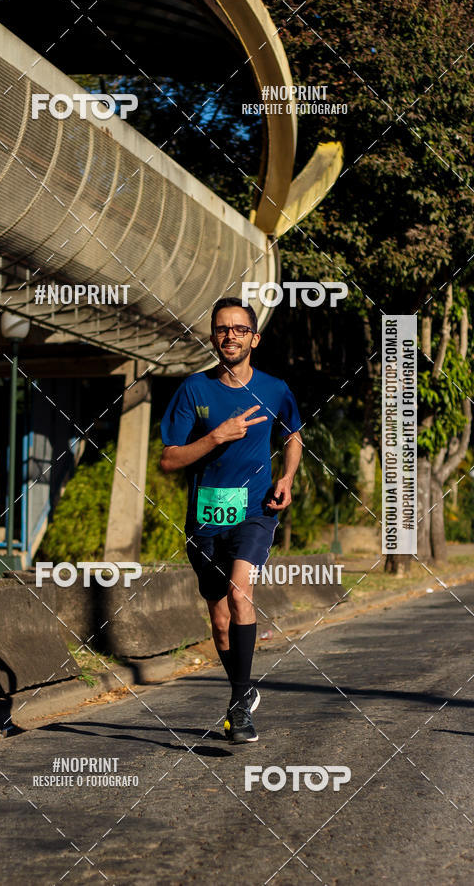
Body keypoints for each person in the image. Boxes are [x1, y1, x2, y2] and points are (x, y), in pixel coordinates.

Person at [160, 297, 303, 743]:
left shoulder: (276, 389)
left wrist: (288, 476)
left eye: (240, 329)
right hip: (206, 515)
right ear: (213, 337)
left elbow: (293, 435)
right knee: (220, 621)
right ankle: (241, 693)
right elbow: (169, 459)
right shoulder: (194, 391)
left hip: (255, 510)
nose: (231, 336)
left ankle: (239, 709)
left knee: (241, 590)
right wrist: (215, 437)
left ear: (254, 338)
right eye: (223, 329)